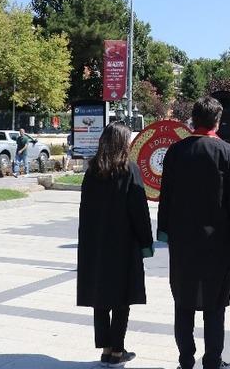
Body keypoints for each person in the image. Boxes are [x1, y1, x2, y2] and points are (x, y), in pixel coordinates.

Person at [157, 96, 230, 369]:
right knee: (215, 304)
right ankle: (212, 361)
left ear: (193, 119)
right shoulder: (229, 153)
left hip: (182, 241)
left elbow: (167, 196)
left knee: (183, 302)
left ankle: (185, 360)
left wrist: (164, 232)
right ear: (218, 121)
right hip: (217, 243)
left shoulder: (175, 151)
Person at [76, 122, 154, 367]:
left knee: (101, 296)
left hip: (96, 244)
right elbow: (139, 210)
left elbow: (84, 211)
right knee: (122, 298)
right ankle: (118, 351)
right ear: (123, 143)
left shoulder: (92, 171)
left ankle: (106, 348)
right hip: (123, 245)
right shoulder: (129, 170)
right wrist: (146, 242)